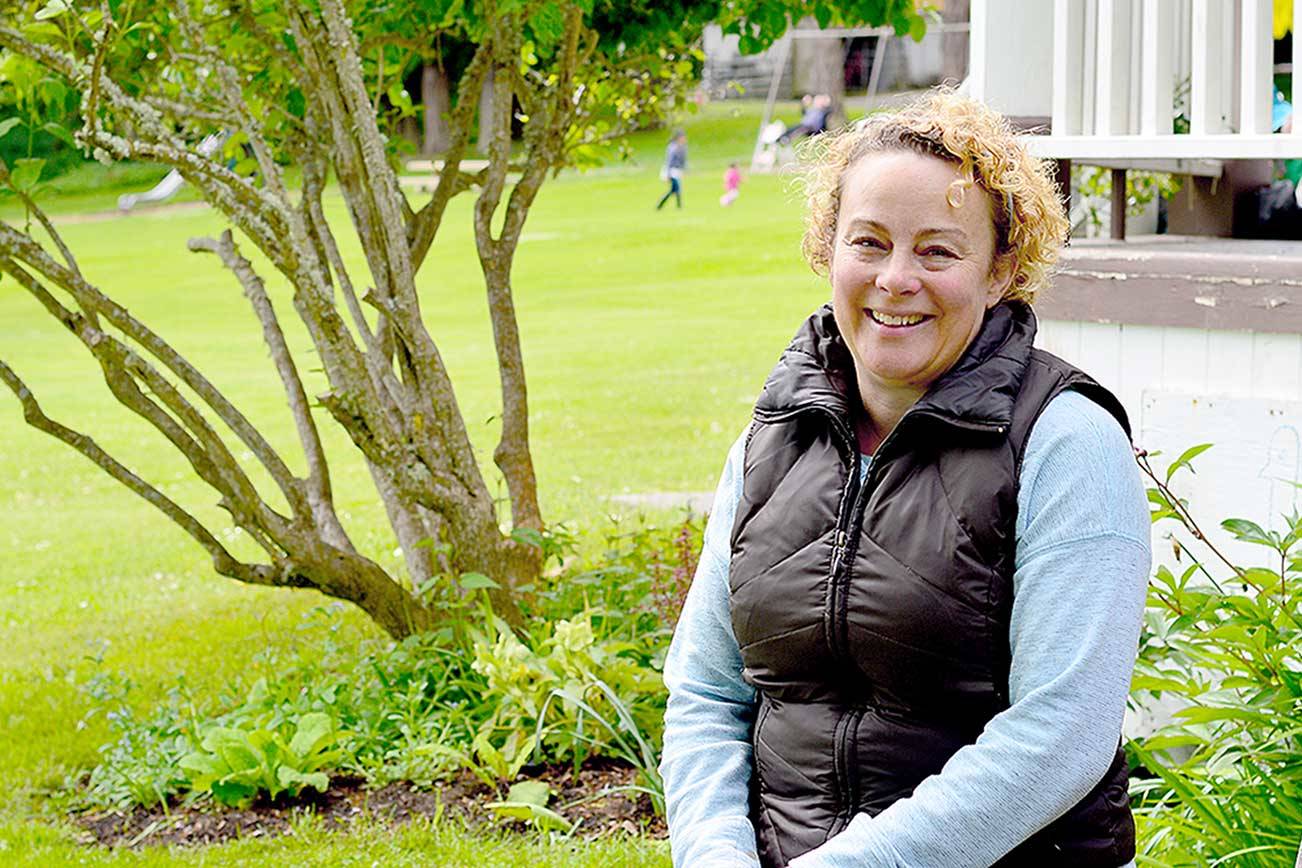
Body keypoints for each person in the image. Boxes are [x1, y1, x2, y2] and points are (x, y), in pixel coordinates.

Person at [661, 89, 1150, 867]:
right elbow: (707, 693)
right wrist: (715, 853)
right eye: (869, 242)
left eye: (937, 251)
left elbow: (1064, 732)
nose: (895, 278)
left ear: (1001, 272)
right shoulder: (773, 435)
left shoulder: (1065, 443)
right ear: (828, 250)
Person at [658, 130, 688, 210]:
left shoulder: (683, 147)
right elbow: (669, 161)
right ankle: (679, 206)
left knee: (673, 190)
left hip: (678, 171)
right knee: (677, 188)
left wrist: (684, 170)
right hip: (672, 171)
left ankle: (660, 205)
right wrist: (668, 174)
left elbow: (683, 161)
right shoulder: (672, 147)